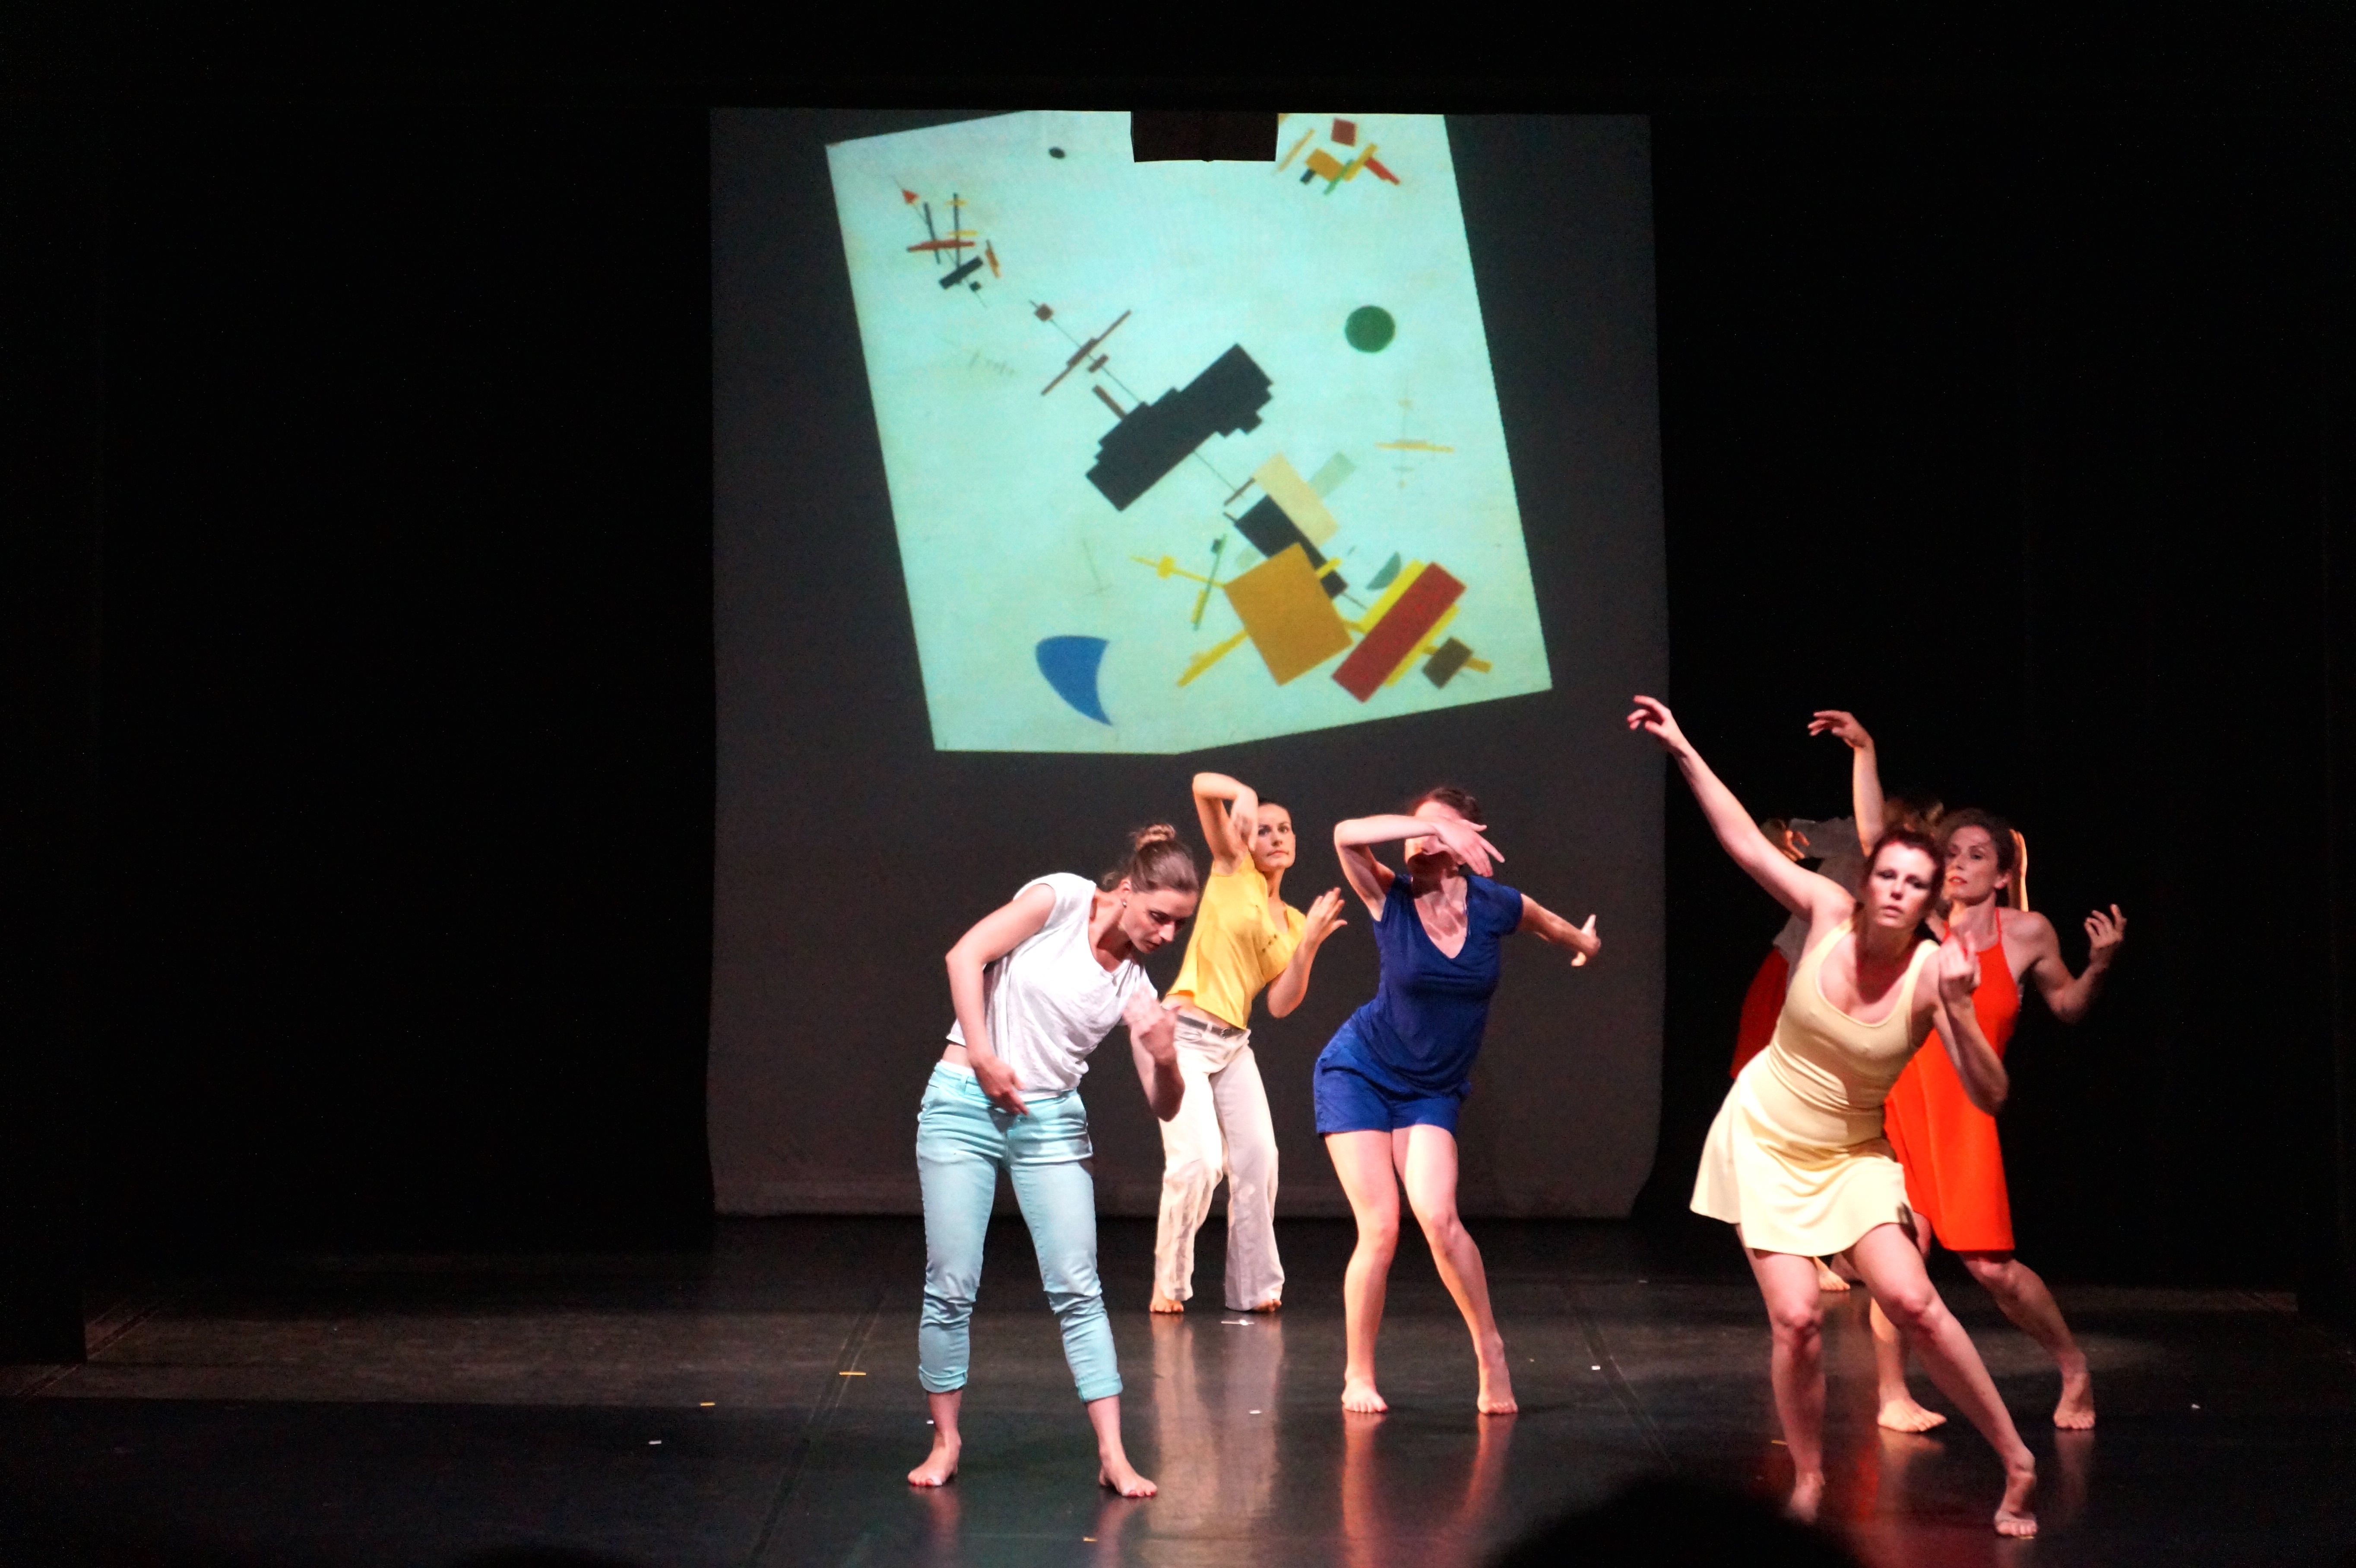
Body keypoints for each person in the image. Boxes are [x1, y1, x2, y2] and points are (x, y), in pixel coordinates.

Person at [1629, 695, 2038, 1537]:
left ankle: (2018, 1459)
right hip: (1763, 1137)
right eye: (1887, 875)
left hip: (1852, 1154)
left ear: (1929, 897)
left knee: (1915, 1300)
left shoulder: (1934, 974)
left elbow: (1992, 1094)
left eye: (1914, 884)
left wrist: (1962, 1012)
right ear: (1868, 876)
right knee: (1796, 1319)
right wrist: (1682, 748)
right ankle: (1811, 1478)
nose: (1896, 891)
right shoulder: (1823, 912)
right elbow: (1744, 842)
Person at [1826, 751, 2127, 1432]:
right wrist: (1865, 753)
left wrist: (2100, 967)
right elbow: (1875, 843)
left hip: (1965, 1114)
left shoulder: (2028, 933)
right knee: (1899, 1252)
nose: (1960, 864)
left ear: (2004, 872)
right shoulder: (1919, 923)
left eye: (1976, 855)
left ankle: (2074, 1366)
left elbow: (2068, 1007)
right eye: (1952, 853)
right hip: (1899, 1102)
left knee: (1993, 1271)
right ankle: (1892, 1395)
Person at [906, 825, 1200, 1497]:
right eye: (1160, 916)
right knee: (951, 1283)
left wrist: (1166, 1057)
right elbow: (965, 955)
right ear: (1127, 892)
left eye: (1179, 925)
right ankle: (946, 1441)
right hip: (963, 1103)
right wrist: (983, 1056)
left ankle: (1113, 1455)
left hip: (1051, 1124)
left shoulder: (1136, 988)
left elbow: (1165, 1106)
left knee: (1078, 1286)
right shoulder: (1062, 899)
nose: (1166, 935)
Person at [1315, 785, 1602, 1415]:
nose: (1418, 837)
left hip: (1432, 1089)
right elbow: (1344, 832)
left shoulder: (1495, 904)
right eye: (1414, 827)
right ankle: (1358, 1373)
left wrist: (1584, 945)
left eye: (1438, 828)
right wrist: (1422, 825)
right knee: (1381, 1226)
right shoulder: (1387, 894)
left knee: (1439, 1217)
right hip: (1359, 1071)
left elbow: (1550, 926)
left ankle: (1490, 1349)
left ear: (1471, 840)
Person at [1150, 773, 1348, 1315]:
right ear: (1246, 838)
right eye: (1264, 829)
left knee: (1259, 1159)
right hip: (1184, 1035)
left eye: (1284, 828)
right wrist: (1244, 795)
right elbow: (1199, 785)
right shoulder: (1231, 866)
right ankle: (1168, 1281)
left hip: (1233, 1044)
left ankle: (1254, 1287)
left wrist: (1307, 946)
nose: (1276, 836)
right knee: (1198, 1162)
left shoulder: (1295, 920)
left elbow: (1280, 1003)